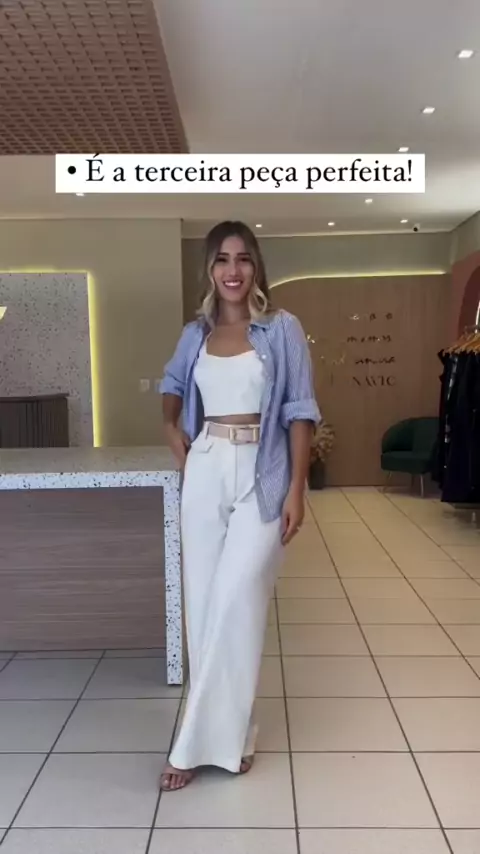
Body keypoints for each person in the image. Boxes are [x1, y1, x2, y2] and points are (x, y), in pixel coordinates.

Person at [159, 220, 321, 791]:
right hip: (206, 468)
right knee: (205, 608)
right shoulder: (196, 333)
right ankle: (233, 734)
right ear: (209, 269)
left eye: (243, 258)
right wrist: (172, 429)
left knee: (237, 601)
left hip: (264, 471)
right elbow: (171, 384)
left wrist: (297, 488)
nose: (233, 270)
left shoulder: (282, 328)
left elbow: (300, 410)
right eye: (222, 259)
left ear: (256, 266)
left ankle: (189, 747)